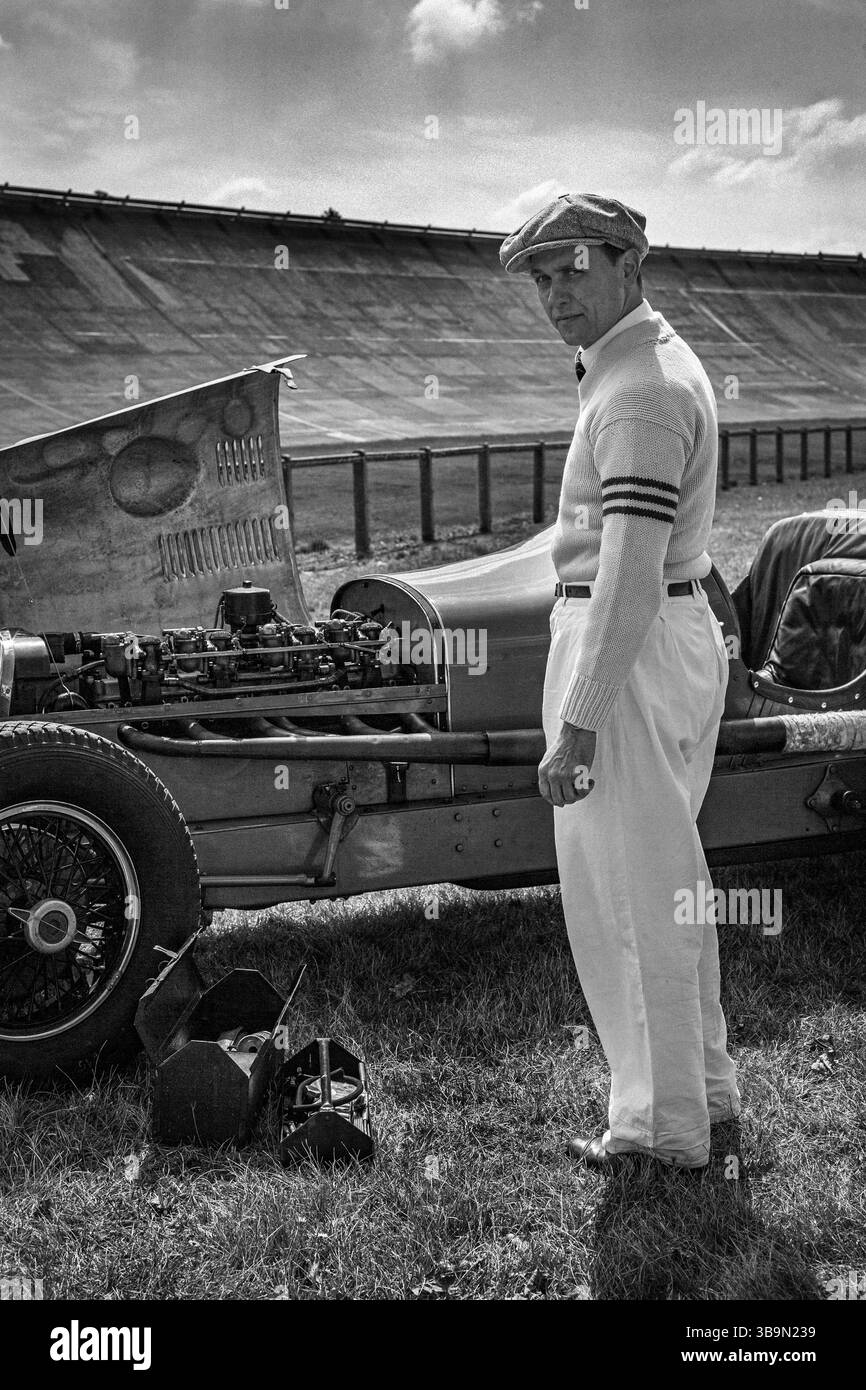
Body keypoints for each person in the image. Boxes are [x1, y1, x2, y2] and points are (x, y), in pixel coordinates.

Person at [499, 193, 740, 1171]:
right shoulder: (643, 363)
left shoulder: (637, 387)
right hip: (661, 634)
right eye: (540, 276)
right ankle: (704, 1091)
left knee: (628, 907)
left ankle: (659, 1129)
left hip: (628, 642)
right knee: (668, 887)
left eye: (572, 269)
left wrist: (578, 722)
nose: (554, 293)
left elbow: (628, 570)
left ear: (627, 261)